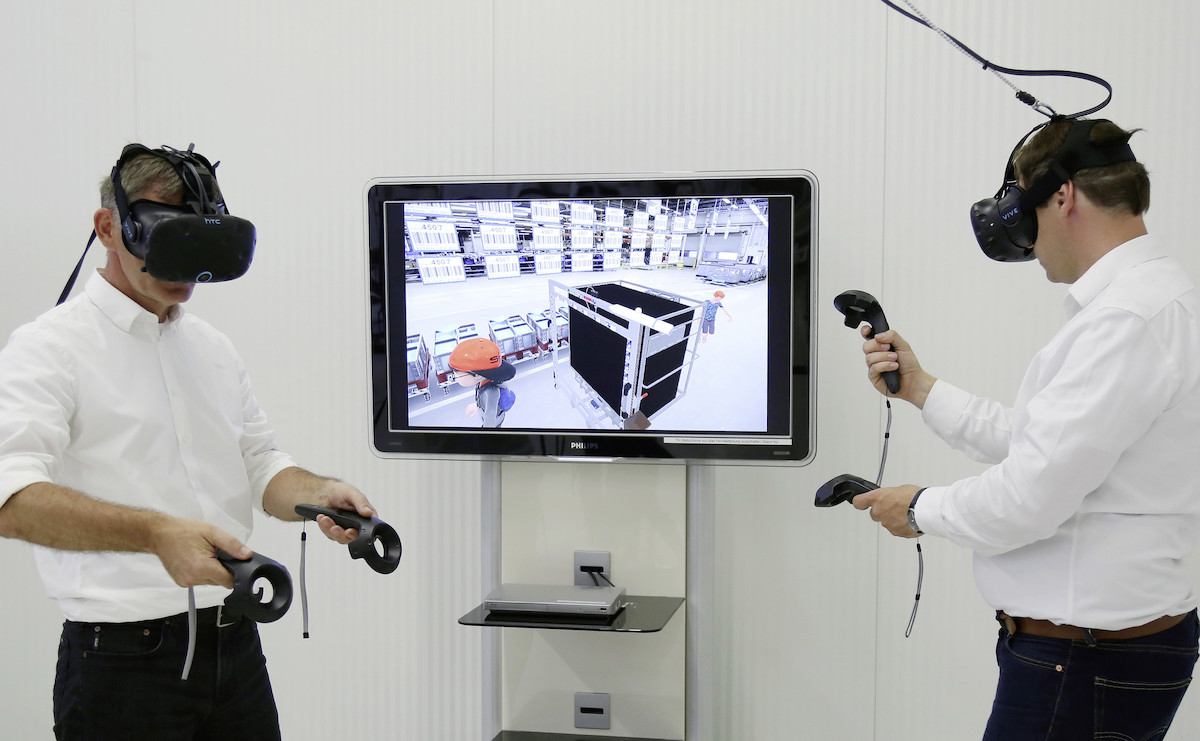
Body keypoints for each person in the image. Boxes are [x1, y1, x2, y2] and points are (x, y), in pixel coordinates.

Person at [0, 144, 381, 740]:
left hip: (234, 645)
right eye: (169, 235)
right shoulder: (48, 350)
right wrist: (156, 534)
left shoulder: (211, 348)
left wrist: (317, 492)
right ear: (108, 227)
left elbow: (260, 464)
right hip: (121, 664)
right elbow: (10, 498)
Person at [852, 118, 1200, 739]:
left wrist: (921, 507)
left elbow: (1031, 497)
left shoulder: (1126, 318)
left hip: (1082, 662)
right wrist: (923, 389)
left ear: (1062, 197)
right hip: (1101, 654)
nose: (1024, 237)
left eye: (1021, 206)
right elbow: (1049, 445)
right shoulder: (1154, 301)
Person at [448, 337, 516, 428]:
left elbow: (490, 416)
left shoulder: (491, 392)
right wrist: (478, 405)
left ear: (477, 374)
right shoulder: (482, 382)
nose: (454, 377)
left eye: (456, 373)